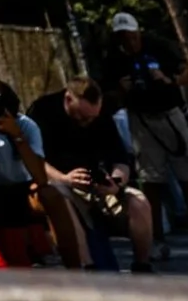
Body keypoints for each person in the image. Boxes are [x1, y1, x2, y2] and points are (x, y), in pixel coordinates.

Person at [103, 9, 188, 266]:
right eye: (121, 37)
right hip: (141, 119)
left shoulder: (159, 47)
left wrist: (168, 79)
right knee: (151, 182)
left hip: (170, 114)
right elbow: (106, 96)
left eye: (129, 36)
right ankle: (157, 240)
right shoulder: (114, 59)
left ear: (138, 32)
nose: (126, 42)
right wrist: (121, 89)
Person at [0, 76, 82, 269]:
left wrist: (18, 136)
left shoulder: (26, 125)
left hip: (20, 189)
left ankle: (74, 268)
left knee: (52, 195)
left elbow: (40, 177)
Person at [28, 78, 156, 271]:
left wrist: (116, 182)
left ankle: (143, 265)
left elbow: (120, 158)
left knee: (140, 202)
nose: (87, 123)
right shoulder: (42, 111)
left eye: (92, 118)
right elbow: (33, 159)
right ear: (69, 99)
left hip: (96, 183)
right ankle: (87, 266)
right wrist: (65, 178)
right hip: (58, 181)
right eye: (82, 117)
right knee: (61, 199)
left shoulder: (101, 115)